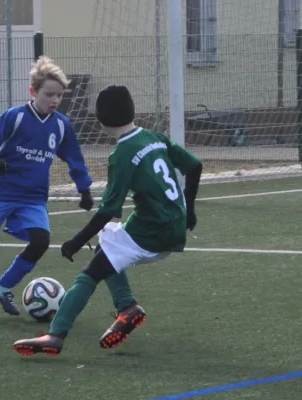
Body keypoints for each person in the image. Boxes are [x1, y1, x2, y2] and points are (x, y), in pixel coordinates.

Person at [12, 84, 203, 356]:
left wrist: (76, 241)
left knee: (90, 273)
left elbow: (107, 210)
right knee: (108, 242)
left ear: (100, 118)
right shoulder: (154, 137)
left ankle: (55, 335)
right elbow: (195, 166)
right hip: (174, 223)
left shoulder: (122, 154)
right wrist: (190, 210)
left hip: (151, 230)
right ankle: (127, 308)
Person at [0, 56, 94, 318]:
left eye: (59, 95)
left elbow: (74, 158)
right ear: (33, 92)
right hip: (1, 191)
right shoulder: (15, 117)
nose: (55, 100)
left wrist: (84, 188)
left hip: (33, 198)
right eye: (49, 94)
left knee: (41, 241)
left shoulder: (61, 125)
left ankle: (2, 288)